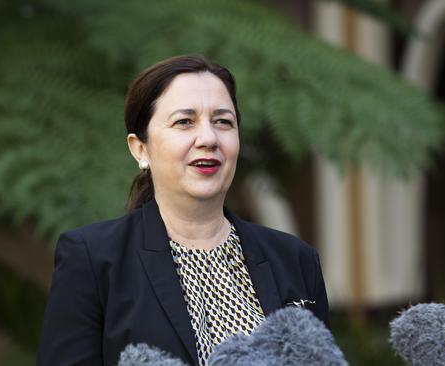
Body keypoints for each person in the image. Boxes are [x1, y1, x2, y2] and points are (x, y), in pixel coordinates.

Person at [36, 54, 329, 366]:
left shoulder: (296, 260)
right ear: (140, 148)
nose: (208, 138)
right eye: (184, 122)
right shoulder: (92, 260)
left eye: (223, 122)